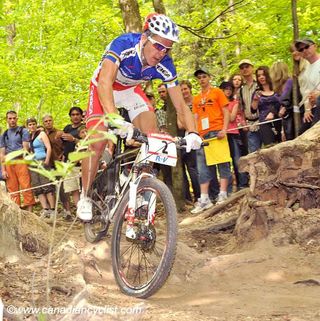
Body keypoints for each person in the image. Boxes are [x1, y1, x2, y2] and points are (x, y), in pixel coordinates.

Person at [77, 13, 202, 220]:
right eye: (159, 46)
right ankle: (85, 196)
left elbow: (180, 104)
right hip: (103, 88)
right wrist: (114, 119)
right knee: (98, 142)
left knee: (152, 136)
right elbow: (106, 82)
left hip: (130, 91)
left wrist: (193, 132)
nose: (162, 53)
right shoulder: (123, 44)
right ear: (145, 38)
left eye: (168, 48)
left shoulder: (166, 64)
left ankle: (136, 179)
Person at [191, 67, 231, 214]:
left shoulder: (217, 92)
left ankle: (223, 193)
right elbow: (195, 117)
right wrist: (195, 133)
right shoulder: (196, 98)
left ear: (209, 77)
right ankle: (204, 198)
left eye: (204, 77)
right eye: (199, 77)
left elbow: (226, 111)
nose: (202, 80)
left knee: (222, 163)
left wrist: (224, 129)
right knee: (202, 167)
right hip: (202, 135)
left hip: (217, 131)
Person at [0, 111, 35, 210]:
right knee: (12, 188)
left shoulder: (23, 131)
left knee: (26, 185)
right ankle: (17, 210)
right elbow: (2, 154)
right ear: (6, 119)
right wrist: (3, 170)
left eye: (14, 118)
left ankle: (30, 212)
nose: (12, 120)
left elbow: (25, 149)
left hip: (21, 161)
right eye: (10, 118)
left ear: (17, 119)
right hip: (8, 163)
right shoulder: (4, 134)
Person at [220, 81, 248, 190]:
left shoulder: (234, 102)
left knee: (237, 159)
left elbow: (231, 118)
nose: (228, 91)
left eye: (230, 89)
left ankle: (242, 183)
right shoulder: (218, 103)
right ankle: (228, 187)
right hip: (222, 134)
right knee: (224, 161)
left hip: (233, 133)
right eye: (225, 89)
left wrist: (224, 108)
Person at [26, 117, 56, 218]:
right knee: (37, 186)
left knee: (46, 185)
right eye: (30, 124)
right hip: (33, 163)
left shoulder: (41, 134)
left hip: (42, 160)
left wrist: (47, 160)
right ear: (27, 126)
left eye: (34, 124)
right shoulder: (29, 137)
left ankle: (52, 209)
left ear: (36, 124)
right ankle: (45, 209)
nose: (32, 126)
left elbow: (48, 147)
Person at [179, 80, 201, 203]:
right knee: (192, 167)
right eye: (181, 90)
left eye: (185, 89)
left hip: (202, 134)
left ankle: (204, 194)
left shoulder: (197, 101)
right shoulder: (181, 106)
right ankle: (195, 197)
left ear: (190, 89)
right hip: (188, 138)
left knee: (202, 167)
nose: (184, 92)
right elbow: (180, 124)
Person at [294, 38, 320, 133]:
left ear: (315, 46)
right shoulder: (305, 71)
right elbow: (306, 92)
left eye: (307, 47)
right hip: (314, 108)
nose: (304, 50)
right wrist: (307, 109)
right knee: (302, 133)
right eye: (301, 49)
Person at [251, 66, 281, 146]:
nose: (261, 77)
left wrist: (273, 112)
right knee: (270, 147)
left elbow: (282, 103)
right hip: (264, 123)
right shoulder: (257, 92)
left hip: (279, 120)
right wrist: (255, 100)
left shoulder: (277, 89)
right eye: (259, 76)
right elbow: (253, 110)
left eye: (263, 75)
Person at [62, 107, 83, 213]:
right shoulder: (67, 128)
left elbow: (88, 144)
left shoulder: (84, 128)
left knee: (84, 189)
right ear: (70, 116)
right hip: (69, 163)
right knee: (73, 189)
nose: (75, 116)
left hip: (82, 163)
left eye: (77, 114)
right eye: (73, 114)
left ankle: (87, 211)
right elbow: (63, 145)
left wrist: (74, 139)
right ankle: (79, 212)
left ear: (81, 115)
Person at [239, 59, 262, 152]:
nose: (245, 69)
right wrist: (244, 122)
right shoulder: (241, 89)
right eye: (242, 68)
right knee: (253, 154)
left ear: (252, 68)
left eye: (247, 66)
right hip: (250, 125)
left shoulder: (260, 84)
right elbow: (241, 108)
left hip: (263, 121)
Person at [270, 61, 294, 140]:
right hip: (286, 119)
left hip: (293, 116)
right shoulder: (278, 87)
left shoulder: (289, 82)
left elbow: (287, 101)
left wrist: (284, 107)